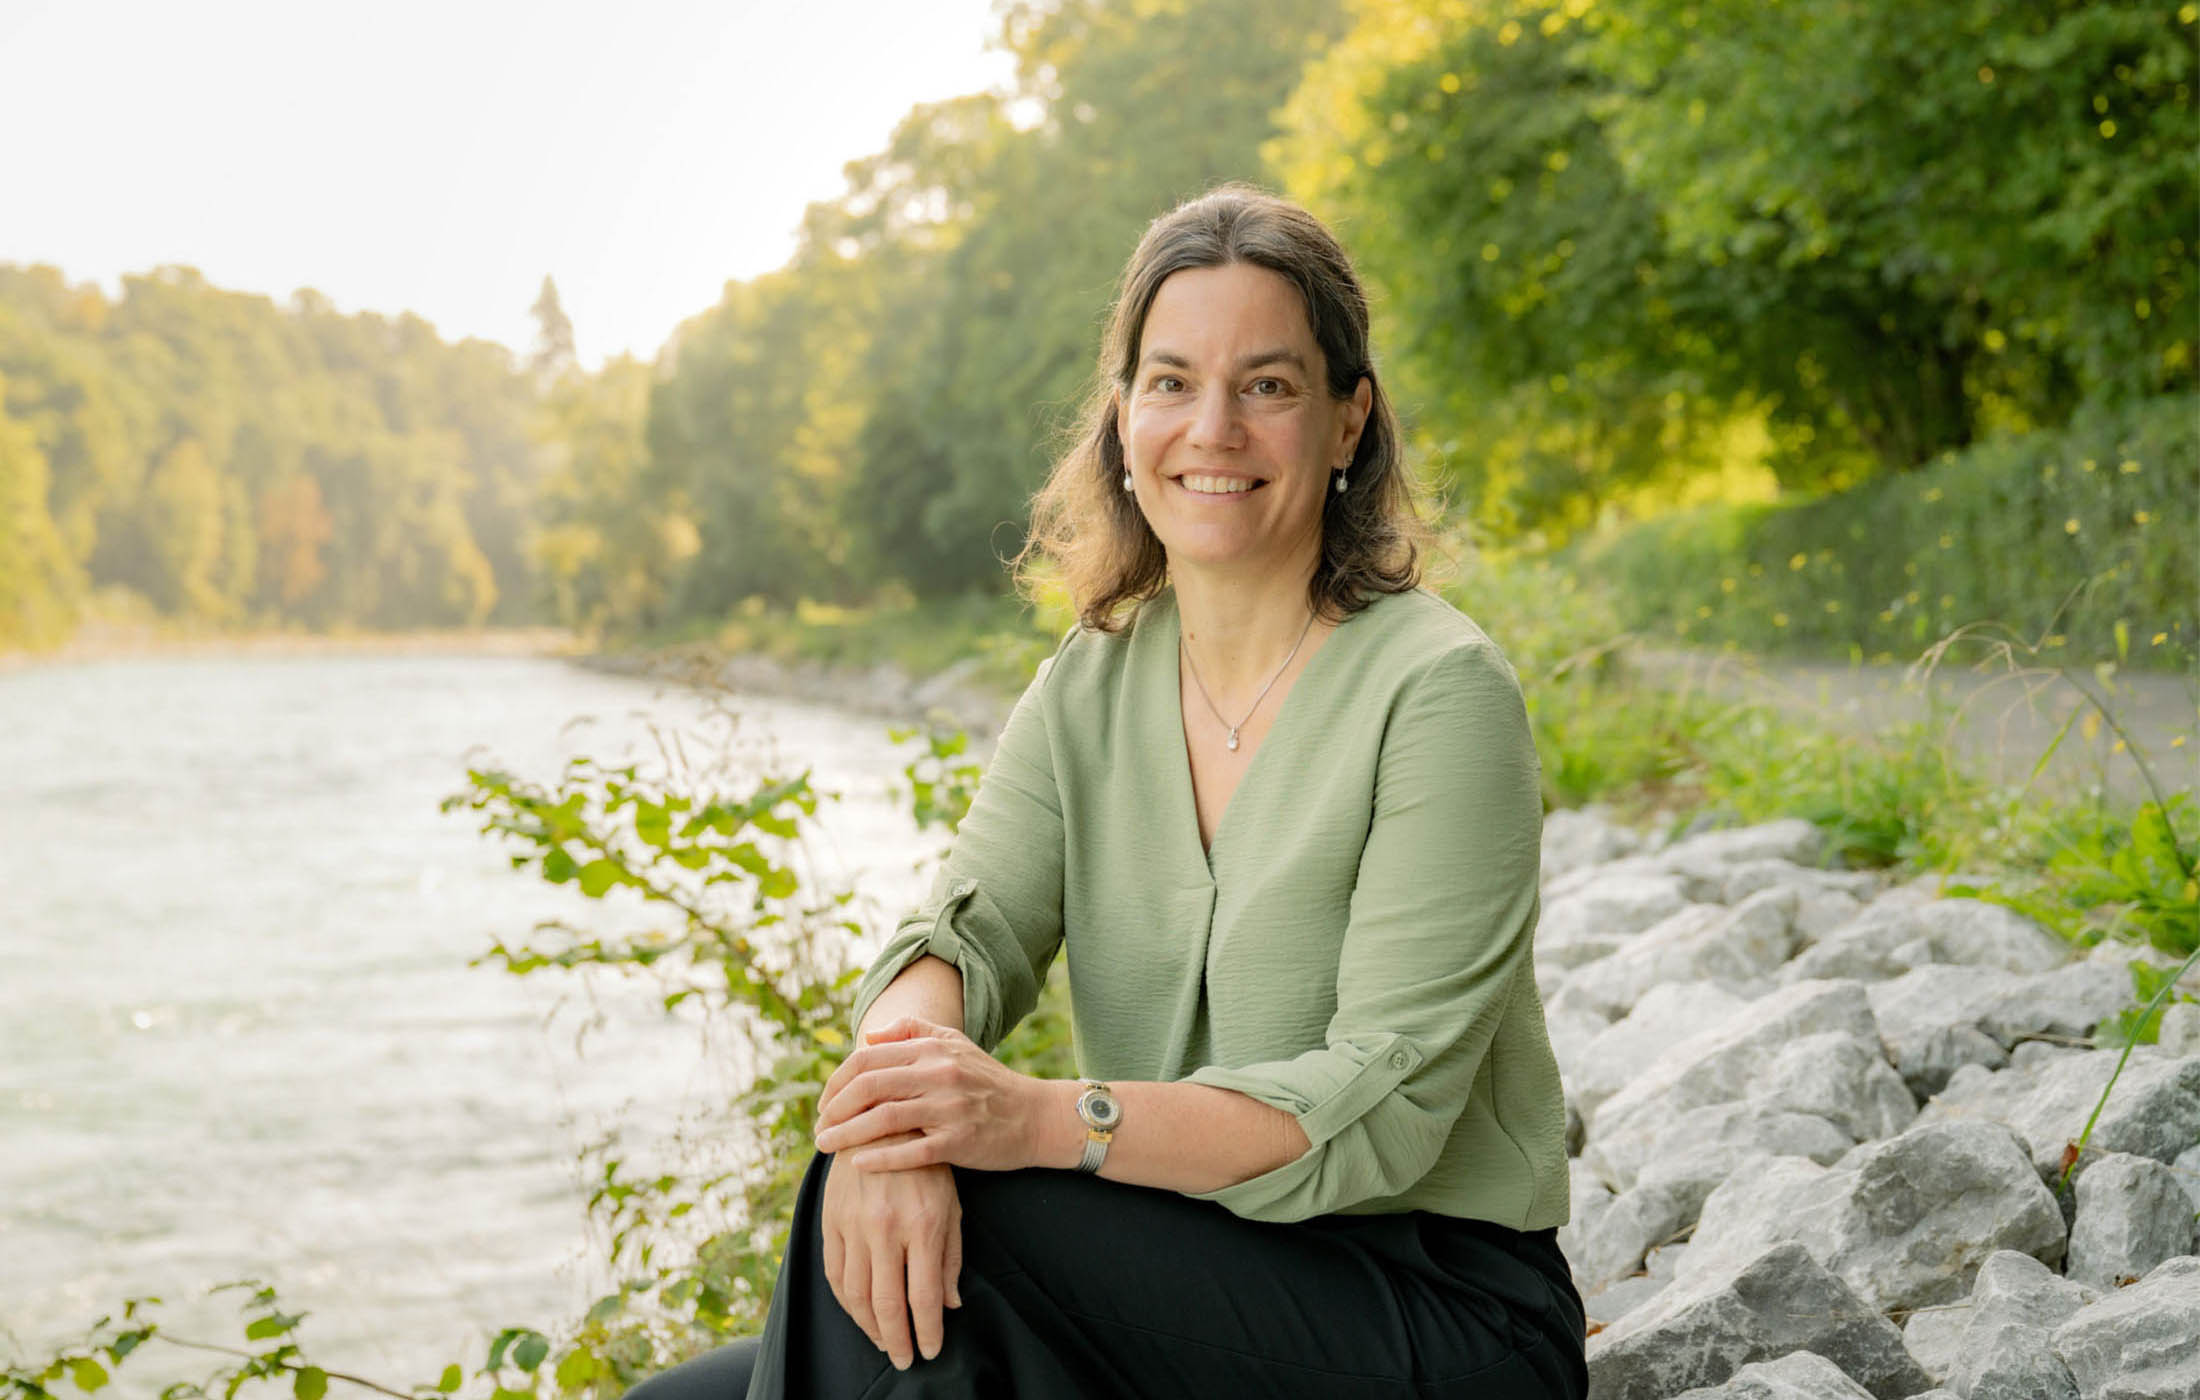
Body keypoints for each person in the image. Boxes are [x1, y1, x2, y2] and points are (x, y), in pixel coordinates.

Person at [627, 181, 1587, 1399]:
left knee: (978, 1217)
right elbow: (959, 936)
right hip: (1180, 1272)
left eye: (1269, 385)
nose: (1214, 428)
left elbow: (1379, 1107)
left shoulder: (1439, 691)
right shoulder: (1093, 680)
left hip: (1429, 1313)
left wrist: (1035, 1121)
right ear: (1124, 418)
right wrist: (891, 1113)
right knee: (677, 1398)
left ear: (1349, 423)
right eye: (1173, 380)